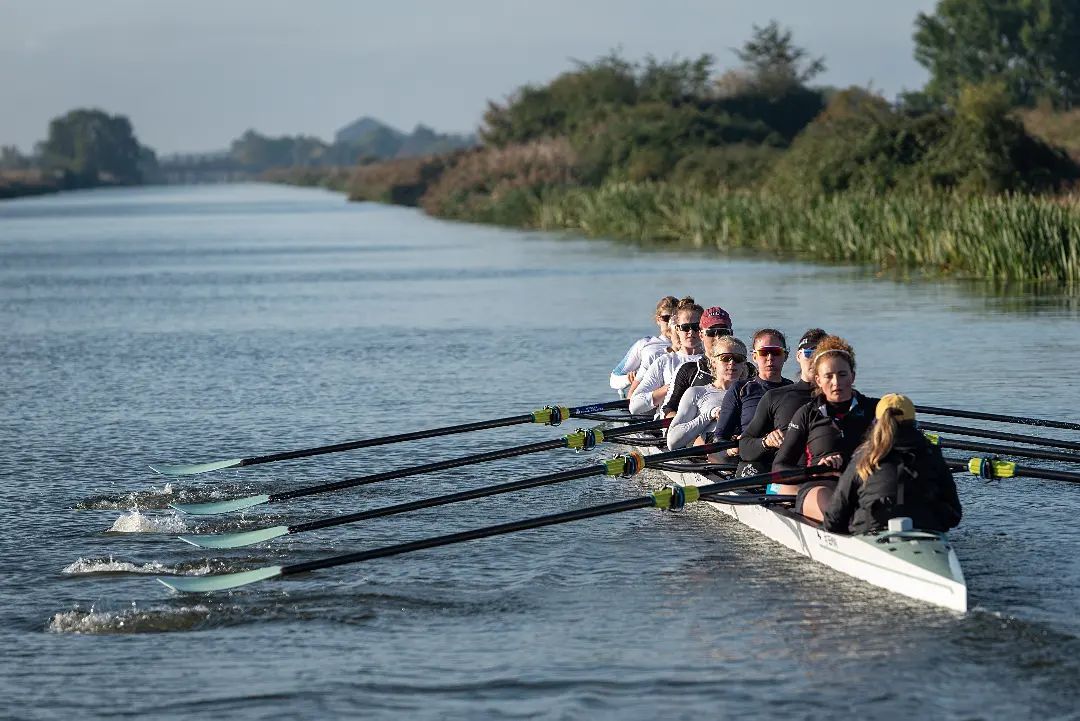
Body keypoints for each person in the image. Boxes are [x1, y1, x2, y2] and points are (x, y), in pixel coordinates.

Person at [770, 335, 880, 520]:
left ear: (852, 376)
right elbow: (778, 468)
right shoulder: (807, 414)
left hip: (863, 484)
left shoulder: (874, 409)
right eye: (828, 376)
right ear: (818, 380)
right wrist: (816, 470)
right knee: (837, 511)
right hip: (820, 484)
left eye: (842, 374)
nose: (836, 382)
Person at [822, 394, 963, 534]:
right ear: (913, 422)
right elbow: (954, 516)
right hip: (927, 533)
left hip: (870, 533)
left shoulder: (863, 457)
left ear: (876, 423)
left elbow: (834, 520)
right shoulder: (932, 454)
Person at [737, 328, 828, 474]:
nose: (815, 360)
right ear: (798, 356)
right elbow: (745, 448)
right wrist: (766, 442)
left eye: (822, 354)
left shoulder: (846, 399)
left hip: (829, 477)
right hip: (789, 479)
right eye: (809, 353)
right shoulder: (775, 397)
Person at [714, 329, 794, 476]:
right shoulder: (741, 389)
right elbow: (720, 437)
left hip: (786, 460)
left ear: (785, 356)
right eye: (764, 353)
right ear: (754, 357)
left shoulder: (794, 391)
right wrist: (730, 449)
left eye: (776, 352)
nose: (770, 358)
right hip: (752, 460)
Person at [666, 336, 750, 449]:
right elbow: (672, 442)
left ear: (744, 364)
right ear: (713, 362)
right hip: (707, 457)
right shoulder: (697, 393)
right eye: (725, 358)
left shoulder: (754, 394)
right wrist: (709, 415)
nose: (732, 363)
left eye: (738, 359)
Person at [629, 297, 703, 417]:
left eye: (696, 327)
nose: (691, 332)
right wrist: (669, 389)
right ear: (677, 329)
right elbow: (634, 406)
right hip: (669, 425)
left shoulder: (714, 361)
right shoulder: (665, 361)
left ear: (703, 330)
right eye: (685, 327)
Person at [660, 306, 734, 417]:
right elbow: (668, 410)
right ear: (701, 335)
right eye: (711, 332)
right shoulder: (689, 370)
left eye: (723, 332)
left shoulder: (746, 369)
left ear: (731, 334)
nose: (718, 338)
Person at [609, 295, 679, 396]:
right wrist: (630, 379)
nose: (670, 324)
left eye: (675, 319)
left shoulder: (690, 345)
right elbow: (614, 379)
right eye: (666, 318)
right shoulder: (645, 344)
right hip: (646, 400)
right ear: (658, 320)